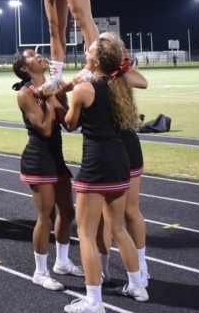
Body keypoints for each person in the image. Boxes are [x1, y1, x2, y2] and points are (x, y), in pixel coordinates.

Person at [64, 36, 147, 312]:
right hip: (120, 161)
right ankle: (137, 285)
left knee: (86, 234)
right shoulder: (119, 85)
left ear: (96, 61)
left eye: (88, 52)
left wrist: (69, 100)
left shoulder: (84, 89)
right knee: (118, 227)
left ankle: (94, 301)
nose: (84, 54)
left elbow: (71, 124)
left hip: (96, 162)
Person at [11, 48, 82, 291]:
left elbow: (69, 123)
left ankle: (62, 262)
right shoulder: (25, 93)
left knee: (68, 213)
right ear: (24, 68)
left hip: (56, 158)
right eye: (30, 55)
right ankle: (40, 272)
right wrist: (52, 98)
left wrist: (60, 94)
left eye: (37, 52)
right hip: (38, 159)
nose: (38, 55)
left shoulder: (54, 85)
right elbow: (45, 128)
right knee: (46, 216)